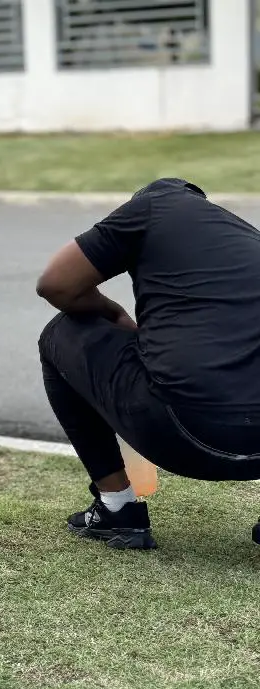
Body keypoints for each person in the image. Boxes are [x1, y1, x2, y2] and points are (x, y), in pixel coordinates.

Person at [36, 178, 260, 550]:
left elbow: (56, 285)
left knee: (62, 333)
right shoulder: (247, 236)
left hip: (183, 434)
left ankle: (117, 509)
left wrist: (114, 312)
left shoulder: (150, 209)